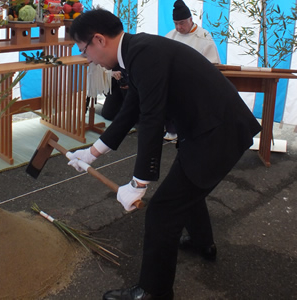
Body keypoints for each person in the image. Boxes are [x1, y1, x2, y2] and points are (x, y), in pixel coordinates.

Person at [67, 8, 261, 300]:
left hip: (215, 133)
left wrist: (138, 183)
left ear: (98, 40)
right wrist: (92, 153)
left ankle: (152, 292)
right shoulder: (137, 49)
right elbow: (131, 108)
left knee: (162, 211)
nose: (88, 59)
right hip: (210, 128)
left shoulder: (141, 53)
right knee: (186, 185)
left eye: (85, 52)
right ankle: (202, 243)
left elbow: (151, 118)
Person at [164, 0, 221, 141]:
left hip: (196, 81)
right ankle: (171, 130)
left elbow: (212, 65)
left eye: (182, 23)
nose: (179, 27)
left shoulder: (203, 36)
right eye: (176, 23)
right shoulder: (171, 35)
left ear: (191, 19)